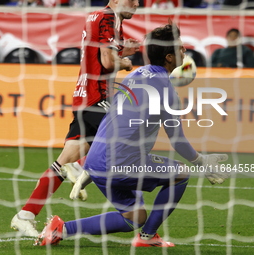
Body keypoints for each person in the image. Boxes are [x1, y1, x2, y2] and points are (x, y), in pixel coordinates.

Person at [35, 22, 230, 247]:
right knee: (181, 173)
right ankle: (148, 237)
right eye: (181, 48)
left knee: (134, 217)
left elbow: (111, 119)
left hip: (97, 162)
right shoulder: (166, 91)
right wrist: (201, 161)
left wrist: (89, 167)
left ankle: (62, 229)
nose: (185, 51)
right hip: (120, 164)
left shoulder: (136, 75)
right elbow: (177, 140)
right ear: (169, 57)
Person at [10, 0, 140, 237]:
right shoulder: (108, 18)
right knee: (129, 130)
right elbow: (108, 62)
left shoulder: (100, 18)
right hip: (96, 96)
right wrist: (126, 63)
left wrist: (123, 51)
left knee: (62, 162)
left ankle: (25, 215)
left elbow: (99, 55)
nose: (137, 3)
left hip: (84, 94)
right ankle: (82, 168)